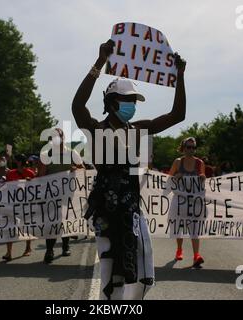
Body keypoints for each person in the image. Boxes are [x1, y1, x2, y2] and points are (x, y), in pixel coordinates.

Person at [72, 39, 186, 299]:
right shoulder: (98, 129)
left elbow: (176, 115)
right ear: (112, 102)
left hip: (133, 210)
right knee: (112, 271)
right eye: (129, 99)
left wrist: (180, 76)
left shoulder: (136, 130)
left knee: (143, 271)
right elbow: (78, 106)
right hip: (107, 212)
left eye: (134, 100)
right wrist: (100, 61)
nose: (133, 105)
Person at [39, 128, 84, 264]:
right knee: (52, 222)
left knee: (65, 220)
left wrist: (75, 170)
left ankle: (65, 246)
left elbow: (83, 170)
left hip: (67, 194)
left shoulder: (72, 153)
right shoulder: (46, 155)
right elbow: (41, 175)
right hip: (51, 195)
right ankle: (49, 250)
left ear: (63, 137)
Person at [169, 137, 206, 268]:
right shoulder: (178, 162)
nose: (191, 150)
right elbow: (168, 180)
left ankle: (196, 255)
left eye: (193, 147)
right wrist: (175, 177)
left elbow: (203, 181)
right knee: (179, 226)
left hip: (194, 202)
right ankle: (179, 249)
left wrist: (202, 177)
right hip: (179, 202)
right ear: (183, 148)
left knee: (194, 228)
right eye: (188, 147)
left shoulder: (199, 162)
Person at [2, 153, 35, 261]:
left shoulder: (30, 173)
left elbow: (38, 186)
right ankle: (8, 252)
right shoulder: (10, 173)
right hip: (12, 204)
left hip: (25, 204)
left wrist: (31, 182)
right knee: (10, 227)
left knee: (26, 225)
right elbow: (5, 187)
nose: (15, 162)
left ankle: (28, 247)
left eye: (17, 160)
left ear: (20, 162)